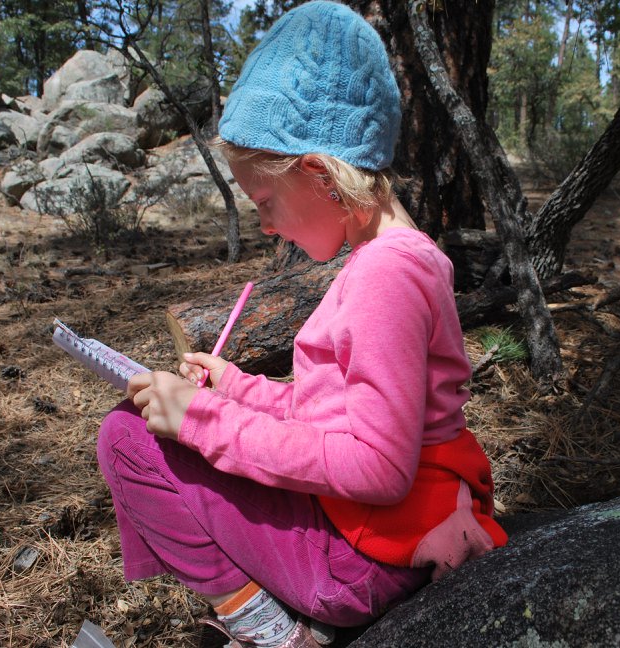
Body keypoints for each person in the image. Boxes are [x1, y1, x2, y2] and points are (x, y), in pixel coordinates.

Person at [96, 2, 508, 647]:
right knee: (147, 427)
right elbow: (337, 412)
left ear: (318, 173)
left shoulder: (384, 278)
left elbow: (375, 466)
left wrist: (202, 420)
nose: (264, 225)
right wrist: (235, 388)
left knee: (129, 439)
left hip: (362, 558)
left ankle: (275, 633)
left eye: (266, 201)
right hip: (374, 532)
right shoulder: (397, 259)